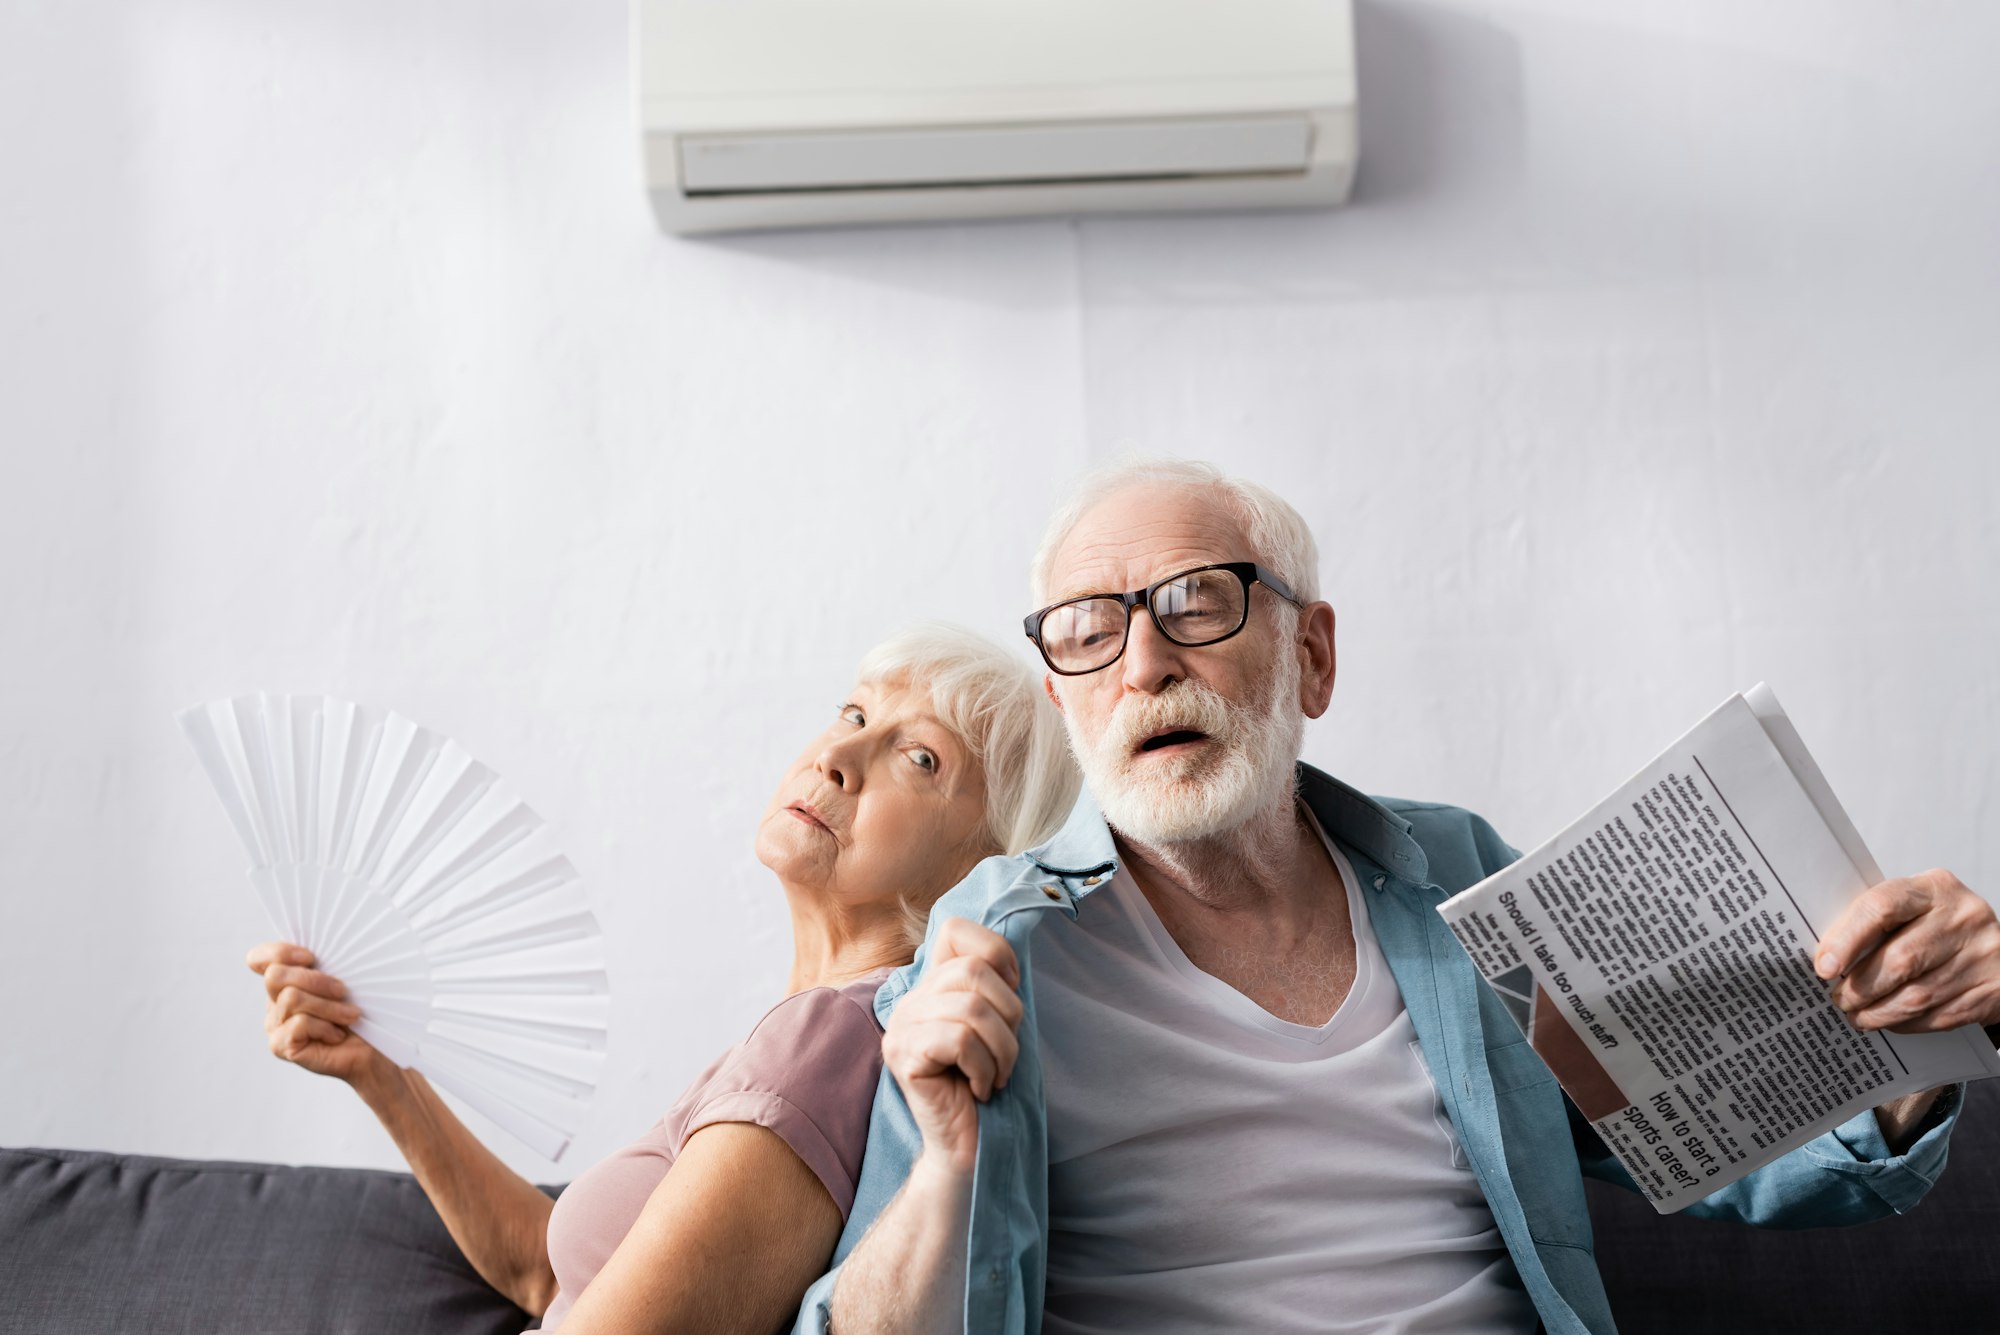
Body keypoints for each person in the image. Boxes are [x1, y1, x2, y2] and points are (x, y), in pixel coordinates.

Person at [799, 460, 2000, 1335]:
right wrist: (945, 1160)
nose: (1143, 662)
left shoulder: (1458, 875)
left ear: (1311, 656)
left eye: (1196, 604)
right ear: (1064, 701)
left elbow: (1735, 1143)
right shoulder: (985, 953)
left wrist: (1916, 1028)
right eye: (1086, 632)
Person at [245, 625, 1079, 1334]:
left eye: (921, 757)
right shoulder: (810, 1033)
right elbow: (549, 1278)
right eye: (855, 713)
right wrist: (382, 1074)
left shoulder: (826, 1040)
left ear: (983, 862)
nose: (838, 754)